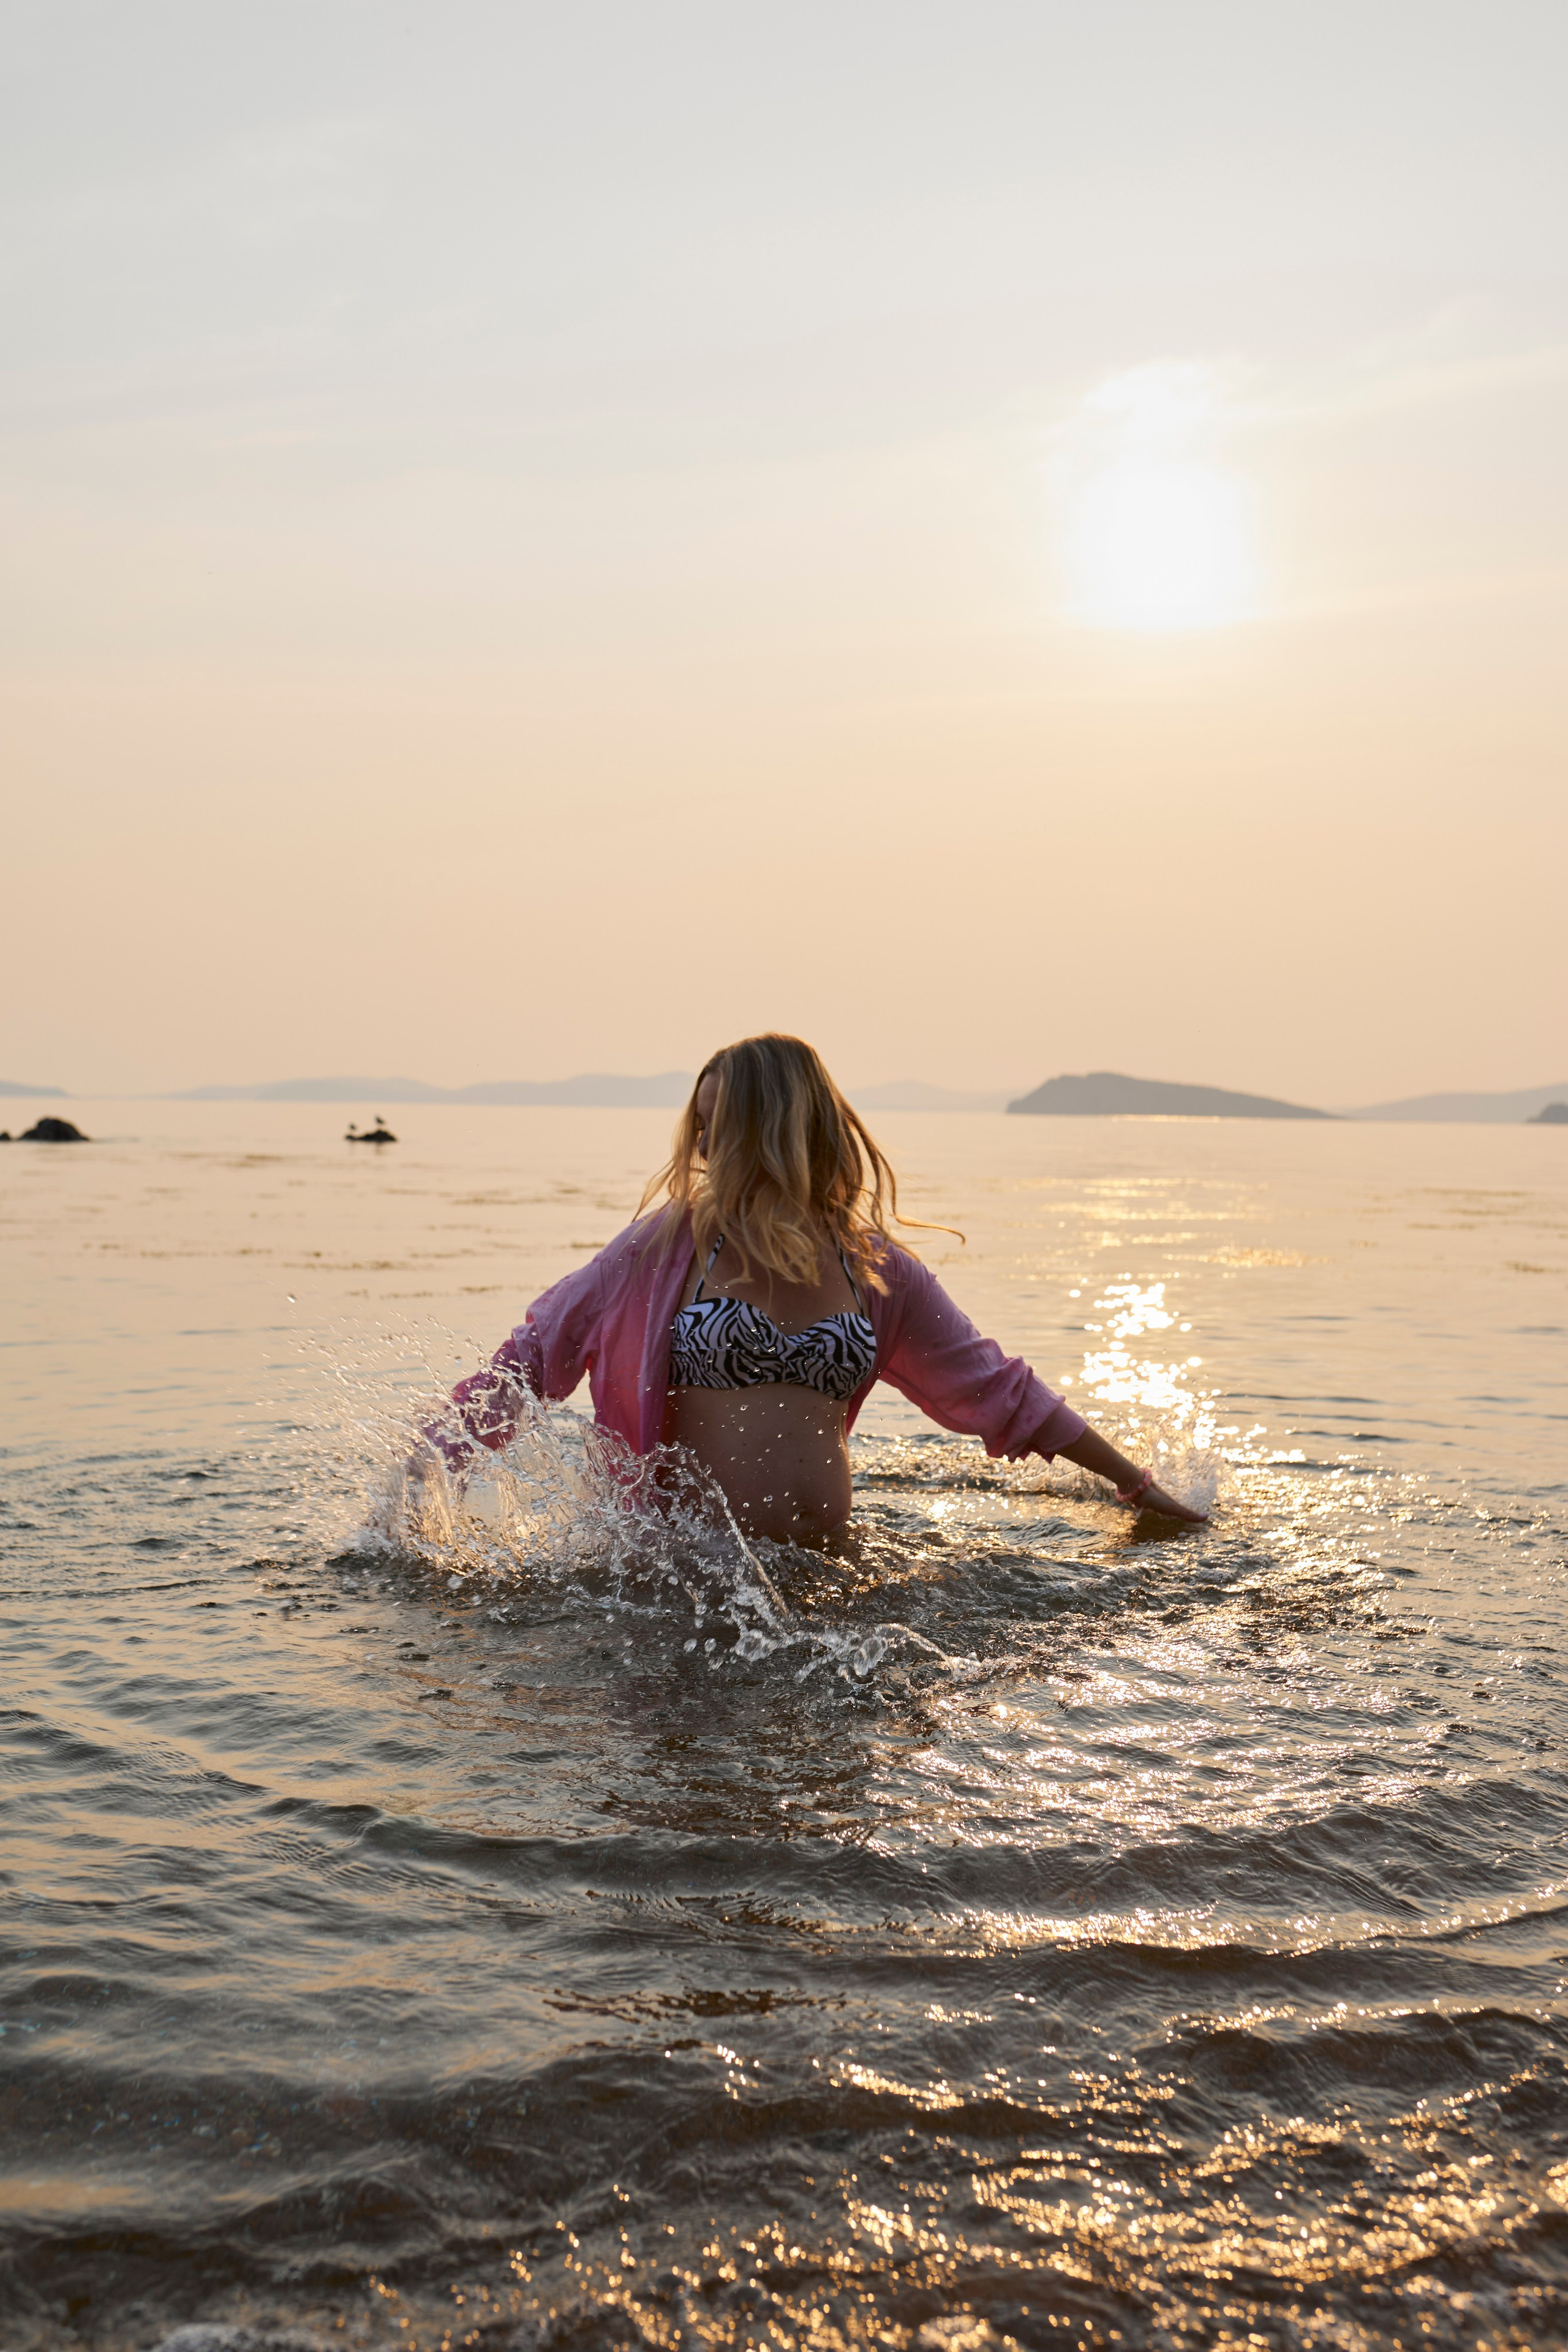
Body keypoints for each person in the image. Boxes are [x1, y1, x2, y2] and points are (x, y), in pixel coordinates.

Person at [421, 1034, 1207, 1546]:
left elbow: (999, 1388)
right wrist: (423, 1479)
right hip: (689, 1584)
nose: (699, 1146)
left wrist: (1136, 1485)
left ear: (778, 1128)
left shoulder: (873, 1269)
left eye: (716, 1125)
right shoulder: (664, 1249)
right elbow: (532, 1358)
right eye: (695, 1126)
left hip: (829, 1575)